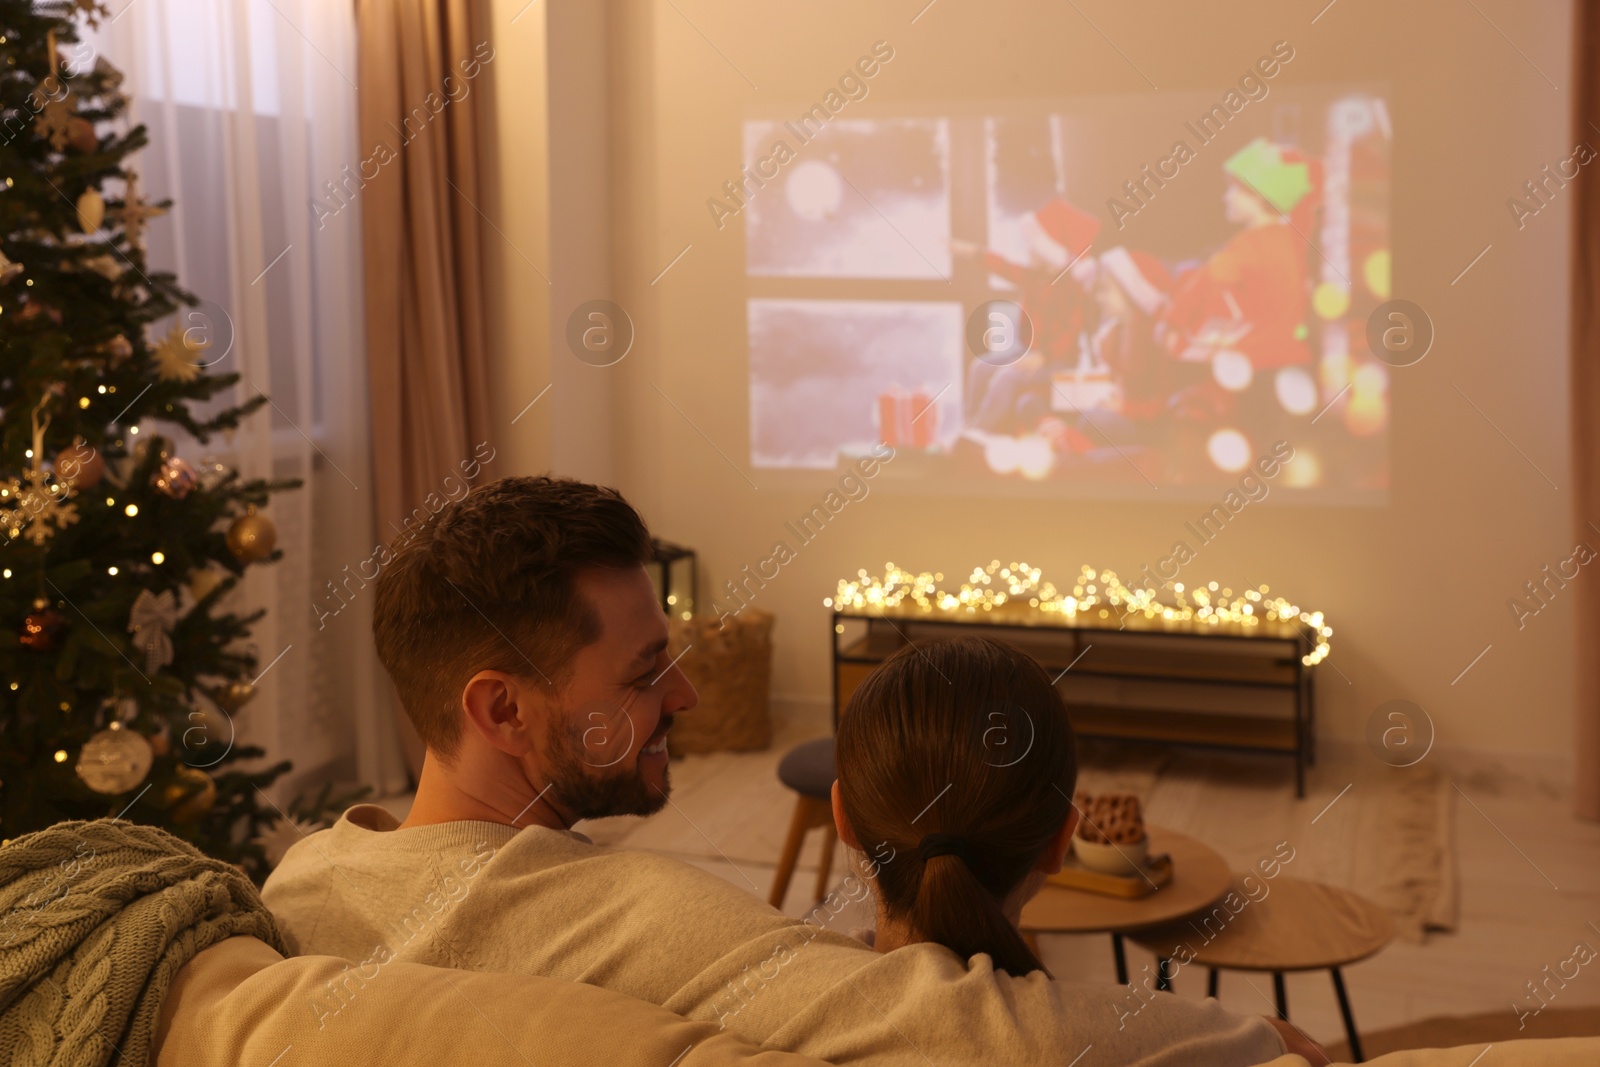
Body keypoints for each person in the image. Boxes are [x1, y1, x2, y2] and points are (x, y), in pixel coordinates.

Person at [262, 475, 1303, 1066]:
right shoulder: (630, 914)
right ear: (500, 706)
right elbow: (975, 1026)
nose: (686, 695)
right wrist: (1254, 1040)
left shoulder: (299, 885)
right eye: (643, 671)